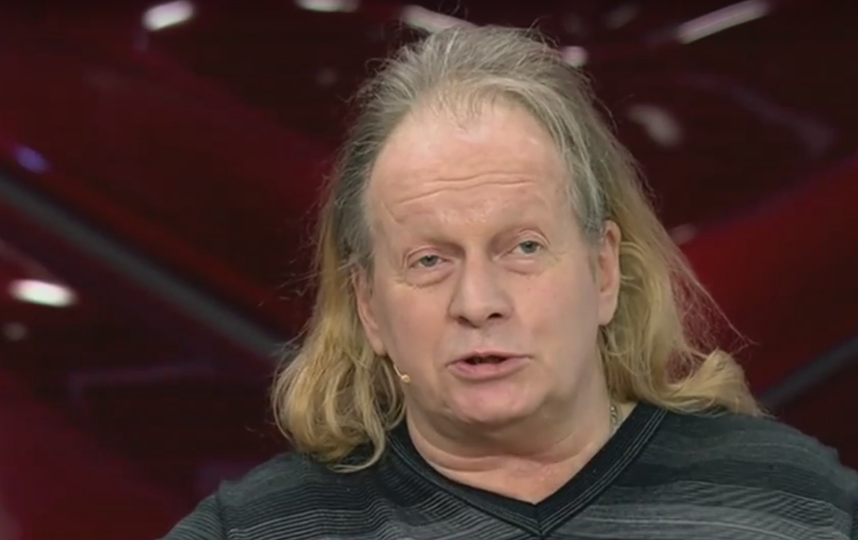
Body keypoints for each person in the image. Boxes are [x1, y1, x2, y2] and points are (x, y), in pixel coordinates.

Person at [160, 26, 857, 540]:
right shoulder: (254, 530)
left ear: (604, 270)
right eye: (429, 260)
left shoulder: (799, 507)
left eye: (523, 248)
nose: (478, 303)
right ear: (369, 305)